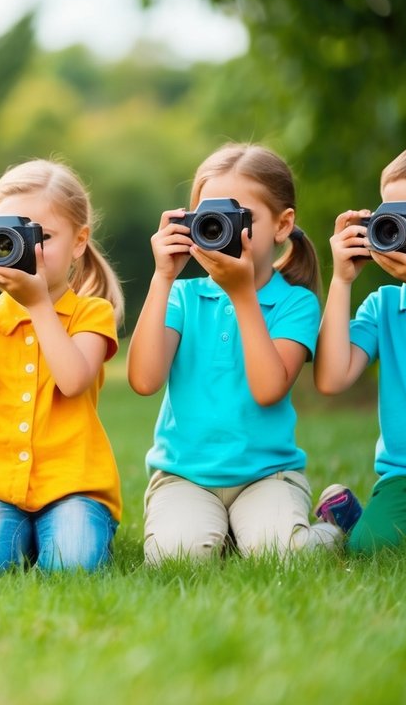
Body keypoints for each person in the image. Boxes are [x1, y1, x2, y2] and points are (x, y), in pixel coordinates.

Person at [128, 143, 338, 563]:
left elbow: (268, 390)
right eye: (211, 218)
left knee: (281, 555)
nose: (223, 229)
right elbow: (144, 380)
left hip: (267, 476)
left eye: (241, 217)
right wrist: (162, 277)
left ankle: (333, 526)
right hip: (185, 477)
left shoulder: (295, 303)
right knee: (175, 559)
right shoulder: (182, 296)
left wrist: (243, 295)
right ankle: (225, 533)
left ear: (282, 225)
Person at [0, 160, 125, 574]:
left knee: (74, 566)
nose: (24, 250)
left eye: (42, 237)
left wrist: (38, 303)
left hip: (76, 489)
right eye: (8, 237)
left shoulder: (92, 312)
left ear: (79, 242)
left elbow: (73, 381)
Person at [315, 139, 406, 554]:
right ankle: (359, 519)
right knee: (371, 548)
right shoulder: (384, 306)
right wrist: (342, 280)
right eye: (398, 220)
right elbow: (331, 379)